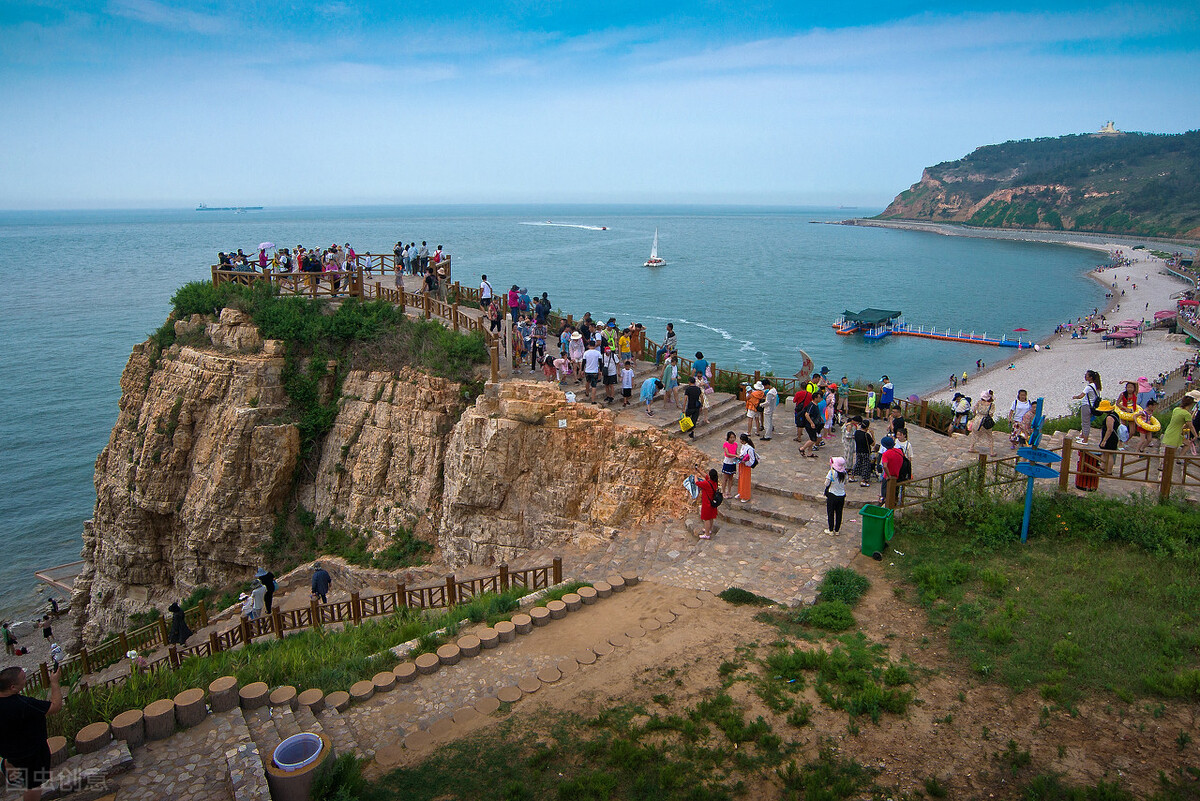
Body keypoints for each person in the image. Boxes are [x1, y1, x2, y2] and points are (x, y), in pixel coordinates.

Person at [0, 664, 62, 801]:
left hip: (9, 750)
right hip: (31, 752)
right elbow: (55, 706)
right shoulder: (22, 704)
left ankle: (8, 765)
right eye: (23, 678)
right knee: (34, 785)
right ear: (12, 687)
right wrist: (54, 682)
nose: (25, 679)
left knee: (13, 761)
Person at [1161, 394, 1198, 459]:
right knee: (1171, 452)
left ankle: (1179, 458)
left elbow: (1180, 421)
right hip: (1175, 433)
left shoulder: (1176, 409)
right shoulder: (1186, 414)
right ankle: (1168, 463)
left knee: (1187, 444)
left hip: (1171, 430)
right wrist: (1195, 435)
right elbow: (1191, 426)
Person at [1072, 370, 1102, 445]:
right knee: (1085, 421)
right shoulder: (1096, 386)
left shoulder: (1089, 387)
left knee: (1085, 422)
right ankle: (1082, 435)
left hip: (1086, 405)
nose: (1085, 376)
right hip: (1092, 406)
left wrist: (1075, 397)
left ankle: (1085, 440)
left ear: (1090, 377)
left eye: (1087, 375)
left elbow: (1081, 396)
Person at [823, 456, 848, 535]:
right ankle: (837, 530)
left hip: (832, 495)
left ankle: (830, 530)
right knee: (839, 513)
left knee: (830, 513)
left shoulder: (832, 472)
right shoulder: (845, 473)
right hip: (841, 496)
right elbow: (846, 483)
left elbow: (826, 483)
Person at [969, 390, 997, 455]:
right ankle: (991, 452)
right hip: (985, 420)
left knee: (974, 434)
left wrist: (976, 415)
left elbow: (973, 410)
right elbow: (991, 414)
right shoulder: (991, 405)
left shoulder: (979, 402)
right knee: (989, 436)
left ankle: (971, 447)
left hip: (977, 419)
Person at [1096, 399, 1121, 473]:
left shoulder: (1109, 418)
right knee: (1104, 452)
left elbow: (1109, 429)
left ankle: (1109, 471)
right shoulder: (1115, 414)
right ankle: (1102, 467)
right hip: (1113, 437)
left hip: (1110, 438)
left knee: (1109, 454)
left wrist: (1104, 440)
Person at [696, 468, 721, 540]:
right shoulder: (714, 482)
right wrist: (699, 470)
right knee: (711, 517)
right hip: (712, 503)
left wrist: (695, 476)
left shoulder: (707, 484)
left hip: (707, 503)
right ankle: (709, 530)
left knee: (706, 519)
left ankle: (707, 534)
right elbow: (705, 476)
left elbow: (697, 483)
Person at [879, 436, 904, 505]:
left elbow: (885, 466)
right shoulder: (899, 451)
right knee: (895, 492)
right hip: (897, 475)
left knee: (885, 494)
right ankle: (894, 505)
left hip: (888, 477)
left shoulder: (886, 454)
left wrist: (888, 475)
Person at [853, 419, 875, 487]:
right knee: (866, 465)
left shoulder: (856, 432)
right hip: (865, 451)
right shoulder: (866, 435)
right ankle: (863, 480)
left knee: (858, 463)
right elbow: (873, 444)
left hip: (858, 450)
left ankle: (852, 476)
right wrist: (872, 435)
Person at [736, 434, 757, 503]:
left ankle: (746, 496)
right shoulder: (743, 446)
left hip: (746, 466)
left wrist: (745, 463)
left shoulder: (749, 448)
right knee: (741, 479)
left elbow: (752, 459)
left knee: (745, 480)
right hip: (742, 465)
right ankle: (741, 492)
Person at [720, 432, 739, 498]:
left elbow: (736, 452)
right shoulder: (726, 444)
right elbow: (727, 453)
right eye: (731, 437)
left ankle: (729, 491)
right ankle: (723, 491)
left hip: (732, 462)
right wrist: (735, 455)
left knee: (731, 478)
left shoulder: (736, 444)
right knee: (725, 478)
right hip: (727, 462)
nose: (732, 439)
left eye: (733, 437)